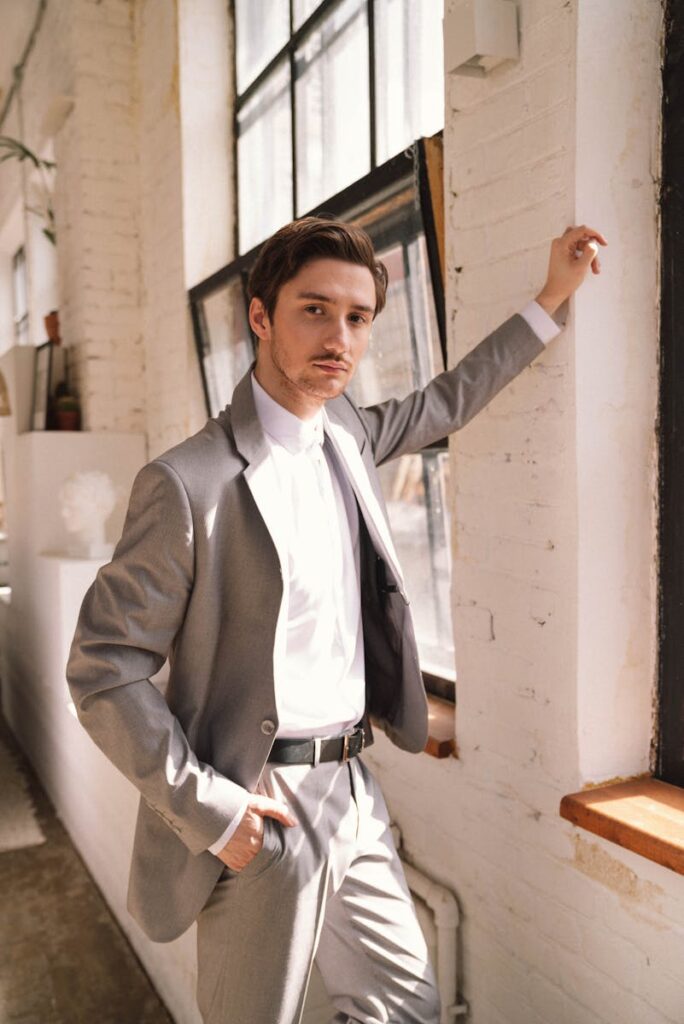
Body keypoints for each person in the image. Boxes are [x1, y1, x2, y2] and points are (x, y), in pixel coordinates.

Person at [66, 217, 606, 1024]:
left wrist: (552, 297)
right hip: (262, 801)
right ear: (260, 317)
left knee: (405, 1006)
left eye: (357, 318)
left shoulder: (348, 435)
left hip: (355, 787)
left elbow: (446, 401)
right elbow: (105, 667)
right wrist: (216, 812)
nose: (340, 337)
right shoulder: (188, 482)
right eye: (314, 310)